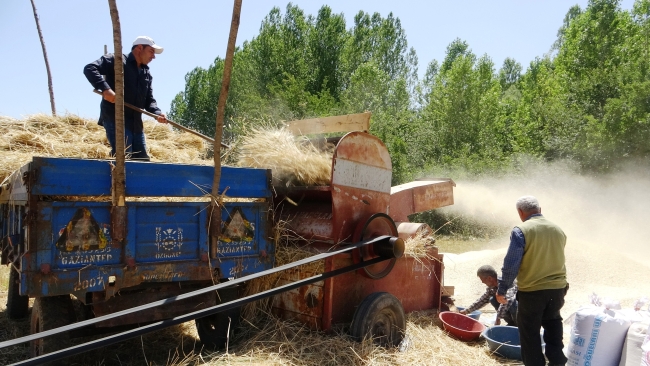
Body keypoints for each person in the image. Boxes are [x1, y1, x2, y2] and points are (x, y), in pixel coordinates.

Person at [496, 195, 569, 366]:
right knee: (553, 323)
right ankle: (557, 361)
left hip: (533, 291)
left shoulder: (521, 230)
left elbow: (511, 264)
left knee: (529, 333)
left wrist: (502, 289)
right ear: (540, 210)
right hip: (558, 288)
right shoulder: (558, 230)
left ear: (520, 212)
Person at [84, 36, 167, 160]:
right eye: (151, 51)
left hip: (136, 124)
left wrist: (157, 113)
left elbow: (149, 100)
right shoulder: (116, 60)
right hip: (116, 119)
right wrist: (106, 89)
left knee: (142, 160)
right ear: (139, 48)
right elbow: (90, 68)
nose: (153, 56)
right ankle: (116, 179)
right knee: (124, 157)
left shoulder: (146, 74)